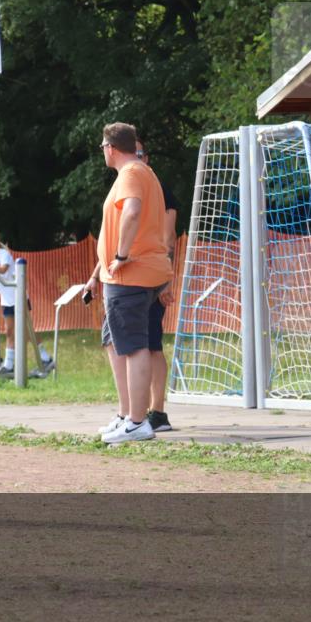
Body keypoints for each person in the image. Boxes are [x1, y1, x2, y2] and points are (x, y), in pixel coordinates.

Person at [82, 123, 173, 444]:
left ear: (110, 148)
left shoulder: (132, 173)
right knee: (116, 341)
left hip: (130, 275)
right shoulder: (141, 172)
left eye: (103, 148)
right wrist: (100, 272)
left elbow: (132, 214)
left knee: (135, 347)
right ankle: (126, 415)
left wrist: (120, 256)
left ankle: (137, 422)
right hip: (132, 275)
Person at [136, 140, 177, 432]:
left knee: (152, 345)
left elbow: (167, 239)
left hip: (152, 279)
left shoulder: (160, 191)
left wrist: (164, 279)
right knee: (129, 346)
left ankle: (157, 411)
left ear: (147, 157)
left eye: (139, 154)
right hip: (128, 280)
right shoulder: (129, 188)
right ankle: (132, 411)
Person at [0, 228, 54, 377]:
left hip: (18, 297)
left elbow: (3, 269)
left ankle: (46, 358)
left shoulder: (4, 255)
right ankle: (9, 365)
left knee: (26, 330)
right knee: (10, 331)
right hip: (6, 300)